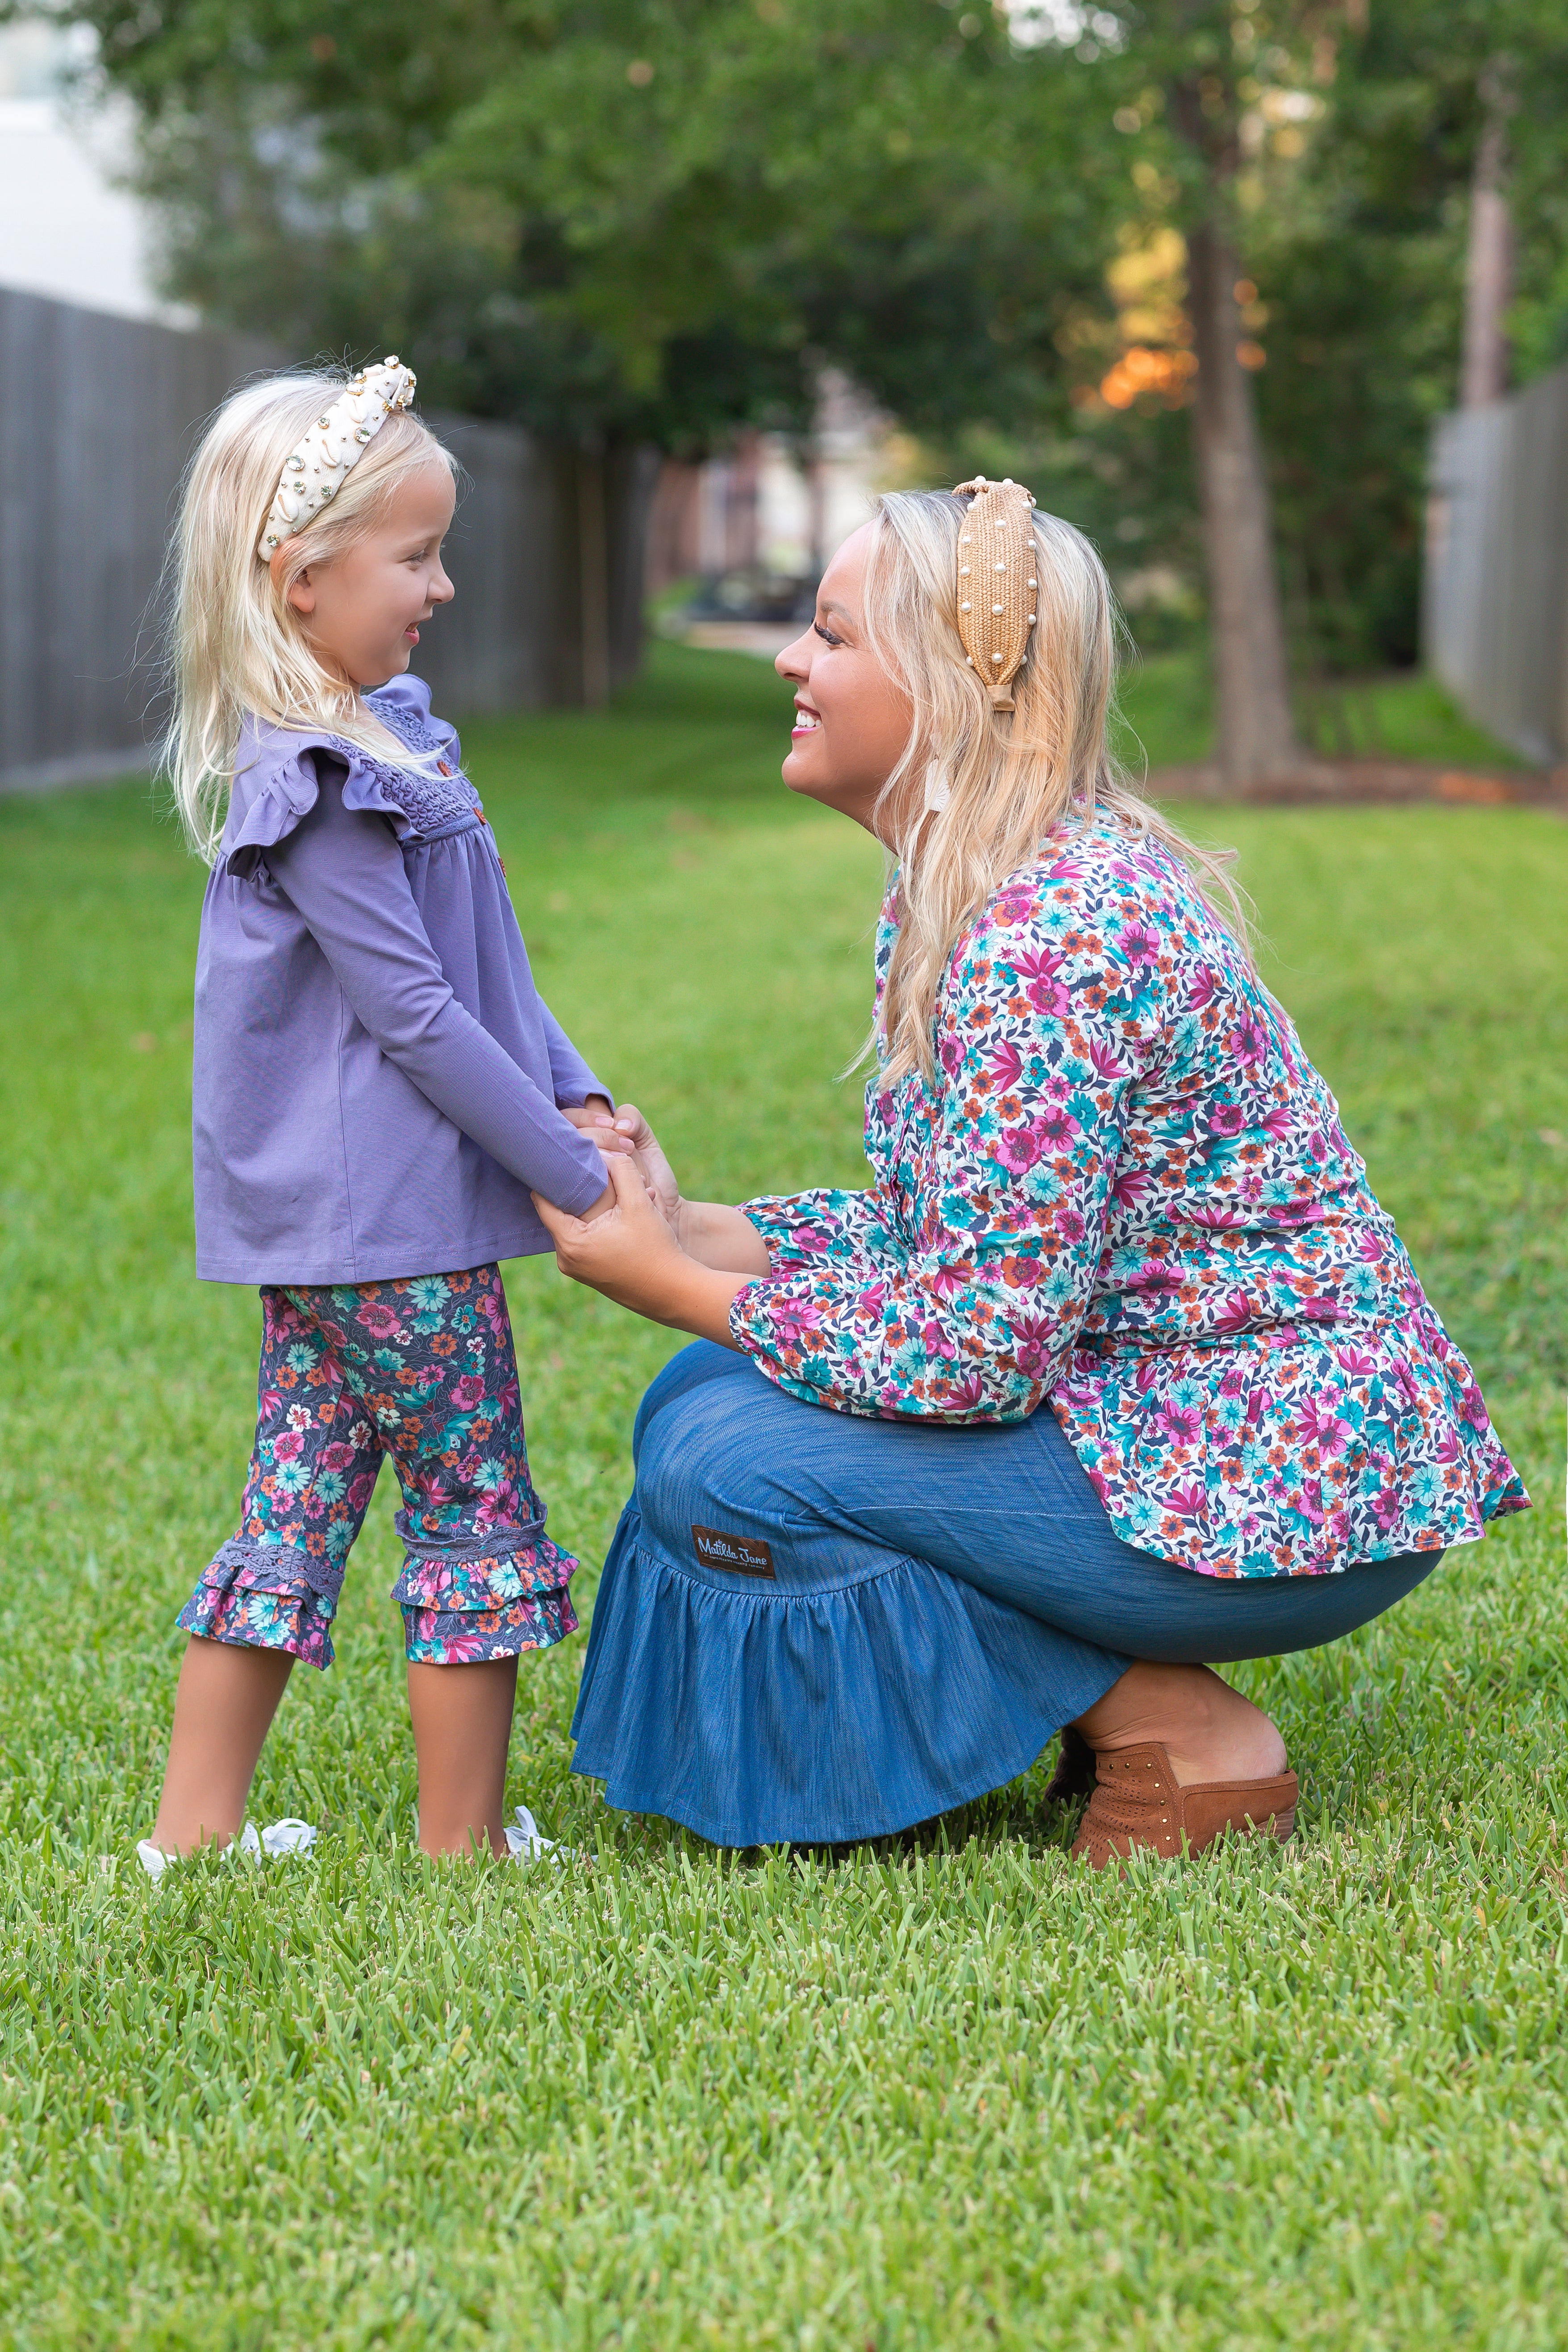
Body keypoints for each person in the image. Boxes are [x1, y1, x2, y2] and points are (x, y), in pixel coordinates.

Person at [536, 478, 1530, 1865]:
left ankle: (1177, 1730)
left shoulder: (1045, 937)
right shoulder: (970, 890)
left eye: (831, 635)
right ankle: (1101, 1701)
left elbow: (976, 1356)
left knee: (735, 1460)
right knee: (703, 1403)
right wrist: (695, 1223)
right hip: (1172, 1404)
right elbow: (950, 1239)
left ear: (947, 690)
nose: (789, 660)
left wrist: (667, 1283)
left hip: (1278, 1459)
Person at [139, 359, 635, 1872]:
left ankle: (194, 1836)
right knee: (476, 1499)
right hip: (396, 1233)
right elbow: (418, 1017)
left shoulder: (385, 740)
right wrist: (565, 1168)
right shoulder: (324, 783)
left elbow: (488, 973)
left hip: (351, 1238)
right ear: (299, 581)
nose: (444, 584)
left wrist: (579, 1085)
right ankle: (463, 1846)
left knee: (295, 1498)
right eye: (414, 557)